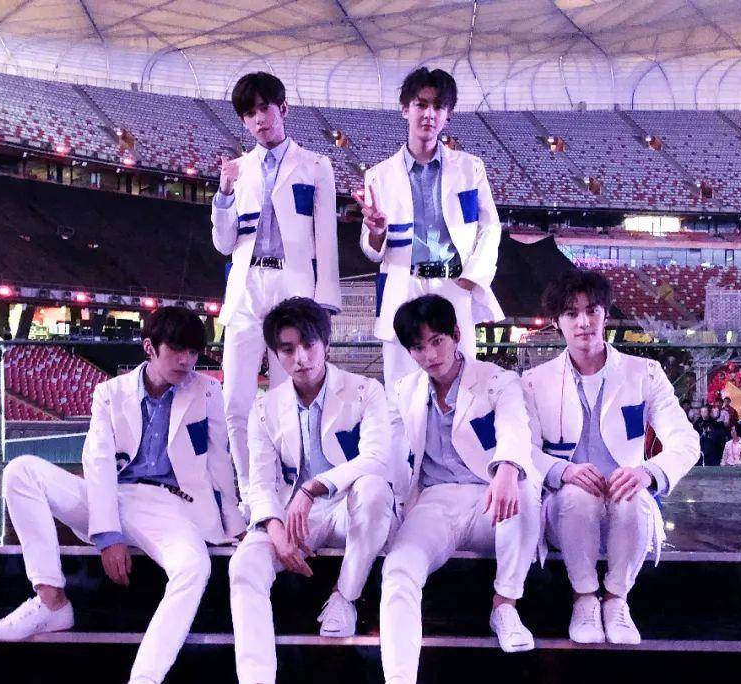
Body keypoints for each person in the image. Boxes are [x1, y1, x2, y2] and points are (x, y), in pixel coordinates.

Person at [0, 307, 245, 684]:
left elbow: (219, 460)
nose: (187, 360)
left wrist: (234, 525)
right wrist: (107, 534)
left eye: (193, 351)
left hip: (170, 506)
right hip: (113, 496)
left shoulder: (207, 391)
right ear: (149, 347)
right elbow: (99, 461)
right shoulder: (110, 393)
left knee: (194, 567)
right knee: (21, 471)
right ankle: (51, 601)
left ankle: (145, 677)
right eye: (177, 350)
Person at [523, 271, 699, 645]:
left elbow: (686, 440)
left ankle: (617, 600)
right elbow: (522, 449)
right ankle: (584, 598)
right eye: (571, 313)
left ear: (606, 314)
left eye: (592, 310)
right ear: (556, 322)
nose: (583, 322)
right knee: (577, 495)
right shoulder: (535, 381)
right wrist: (562, 470)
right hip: (565, 509)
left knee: (633, 497)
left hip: (627, 506)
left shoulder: (645, 373)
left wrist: (649, 472)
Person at [229, 297, 396, 684]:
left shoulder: (366, 390)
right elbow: (261, 482)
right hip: (294, 515)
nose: (300, 357)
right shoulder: (265, 408)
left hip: (349, 506)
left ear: (326, 343)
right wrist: (274, 529)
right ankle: (256, 676)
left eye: (308, 344)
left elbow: (376, 458)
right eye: (288, 349)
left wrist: (312, 488)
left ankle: (345, 596)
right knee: (243, 566)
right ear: (275, 354)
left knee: (374, 489)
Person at [380, 294, 541, 679]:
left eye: (437, 341)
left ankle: (505, 604)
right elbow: (387, 451)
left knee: (523, 484)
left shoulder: (497, 380)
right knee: (398, 569)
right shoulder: (404, 390)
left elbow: (515, 428)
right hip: (435, 502)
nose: (430, 355)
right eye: (418, 347)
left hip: (491, 495)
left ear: (456, 334)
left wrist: (507, 468)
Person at [211, 72, 342, 516]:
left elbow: (326, 239)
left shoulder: (316, 166)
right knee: (235, 400)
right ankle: (252, 493)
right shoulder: (238, 170)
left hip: (294, 288)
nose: (259, 119)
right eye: (249, 113)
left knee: (291, 397)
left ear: (283, 108)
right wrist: (223, 194)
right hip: (247, 287)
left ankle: (292, 489)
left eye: (265, 108)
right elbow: (224, 244)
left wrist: (324, 304)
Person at [352, 67, 504, 392]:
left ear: (448, 115)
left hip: (454, 285)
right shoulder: (379, 175)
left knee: (464, 386)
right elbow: (371, 250)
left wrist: (472, 277)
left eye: (438, 106)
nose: (429, 114)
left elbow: (490, 227)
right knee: (400, 389)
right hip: (402, 286)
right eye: (421, 104)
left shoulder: (470, 168)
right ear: (405, 109)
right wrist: (376, 232)